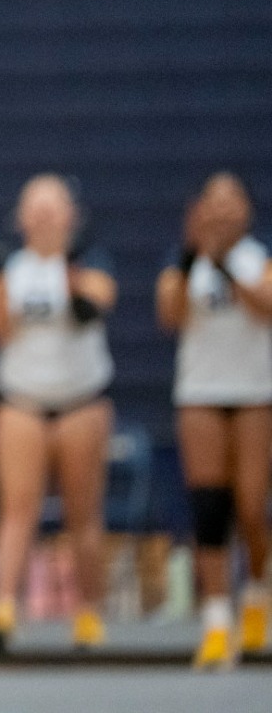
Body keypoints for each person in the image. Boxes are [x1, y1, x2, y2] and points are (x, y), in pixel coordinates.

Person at [0, 173, 117, 654]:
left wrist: (66, 268)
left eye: (52, 208)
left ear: (71, 216)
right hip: (22, 401)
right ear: (20, 218)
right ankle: (3, 608)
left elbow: (93, 307)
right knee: (17, 510)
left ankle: (89, 611)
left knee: (83, 514)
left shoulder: (90, 265)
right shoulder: (9, 271)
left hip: (80, 401)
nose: (43, 217)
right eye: (34, 209)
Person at [157, 172, 272, 670]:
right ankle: (217, 620)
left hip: (254, 395)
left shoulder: (259, 258)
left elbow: (266, 306)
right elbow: (170, 314)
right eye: (213, 203)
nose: (222, 212)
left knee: (250, 505)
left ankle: (258, 592)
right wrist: (194, 256)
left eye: (231, 202)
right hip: (200, 394)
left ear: (246, 210)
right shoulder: (182, 263)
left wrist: (225, 264)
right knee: (209, 507)